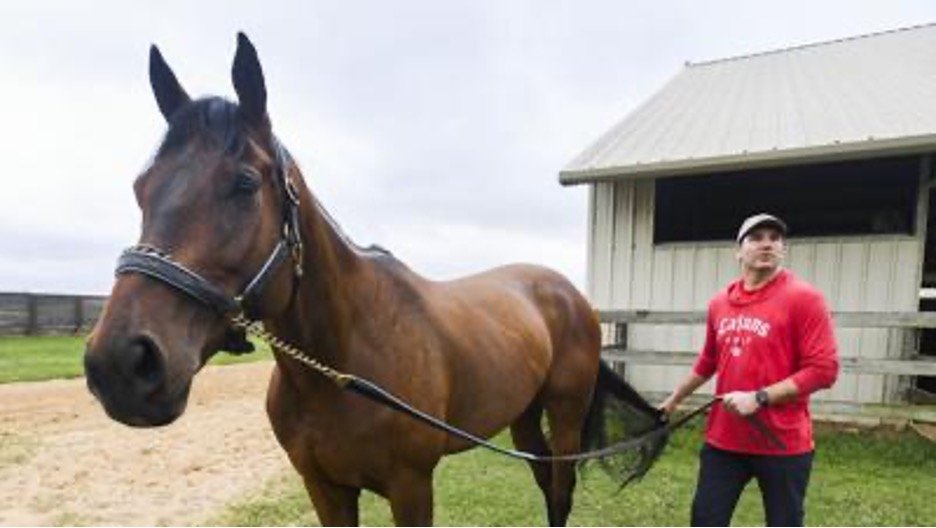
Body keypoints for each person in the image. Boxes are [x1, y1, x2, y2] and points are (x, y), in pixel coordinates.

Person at [659, 213, 839, 527]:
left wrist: (760, 397)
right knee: (705, 519)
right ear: (738, 251)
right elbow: (708, 361)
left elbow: (824, 369)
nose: (767, 244)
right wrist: (673, 400)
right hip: (724, 442)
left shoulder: (804, 298)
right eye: (756, 238)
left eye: (775, 238)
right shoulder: (720, 303)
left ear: (783, 248)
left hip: (782, 444)